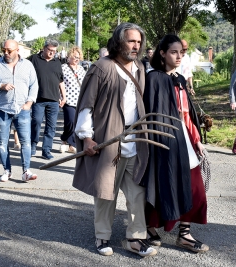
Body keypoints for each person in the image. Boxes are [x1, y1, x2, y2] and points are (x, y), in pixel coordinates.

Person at [73, 22, 156, 257]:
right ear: (119, 41)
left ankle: (136, 238)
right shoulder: (102, 67)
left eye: (139, 42)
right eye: (131, 41)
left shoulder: (139, 67)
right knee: (105, 190)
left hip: (135, 139)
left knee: (137, 191)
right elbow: (86, 106)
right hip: (108, 139)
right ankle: (102, 236)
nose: (136, 46)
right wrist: (86, 137)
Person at [142, 34, 209, 253]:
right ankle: (150, 227)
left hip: (185, 139)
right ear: (162, 53)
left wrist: (196, 140)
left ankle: (185, 233)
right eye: (174, 52)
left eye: (181, 52)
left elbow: (186, 115)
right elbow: (152, 114)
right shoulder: (154, 79)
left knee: (195, 186)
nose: (179, 56)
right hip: (163, 140)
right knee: (162, 184)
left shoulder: (180, 79)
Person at [0, 40, 39, 182]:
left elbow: (34, 85)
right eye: (4, 50)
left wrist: (29, 102)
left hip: (22, 109)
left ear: (17, 50)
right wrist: (0, 85)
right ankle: (7, 171)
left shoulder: (27, 65)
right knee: (2, 143)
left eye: (9, 51)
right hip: (2, 109)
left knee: (25, 142)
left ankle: (26, 171)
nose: (6, 53)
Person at [29, 39, 66, 160]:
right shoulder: (34, 59)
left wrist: (63, 96)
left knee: (51, 127)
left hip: (54, 100)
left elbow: (61, 81)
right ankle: (33, 145)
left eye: (54, 51)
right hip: (38, 99)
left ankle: (46, 150)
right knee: (36, 122)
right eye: (50, 50)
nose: (52, 53)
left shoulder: (57, 62)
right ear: (44, 48)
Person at [59, 46, 86, 154]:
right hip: (68, 99)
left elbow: (84, 84)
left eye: (78, 58)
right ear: (69, 56)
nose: (76, 59)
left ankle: (69, 143)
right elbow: (59, 83)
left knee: (76, 122)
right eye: (75, 57)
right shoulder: (63, 67)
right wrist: (60, 97)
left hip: (79, 99)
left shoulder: (81, 69)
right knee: (70, 121)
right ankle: (66, 140)